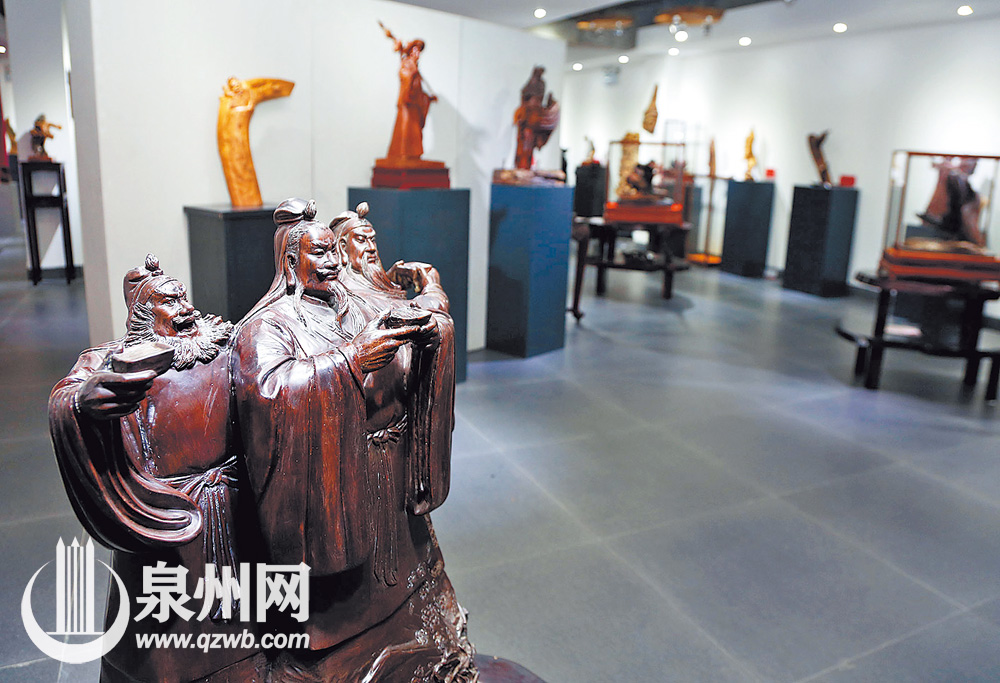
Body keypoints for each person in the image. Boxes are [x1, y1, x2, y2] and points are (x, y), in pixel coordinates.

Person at [231, 198, 475, 681]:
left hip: (389, 463)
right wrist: (351, 362)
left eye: (334, 251)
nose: (333, 262)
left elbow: (411, 316)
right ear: (290, 261)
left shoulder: (356, 301)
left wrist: (430, 330)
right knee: (339, 605)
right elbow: (269, 393)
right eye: (319, 253)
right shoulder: (267, 326)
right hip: (335, 480)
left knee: (409, 574)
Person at [48, 255, 262, 682]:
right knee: (163, 635)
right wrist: (86, 403)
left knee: (249, 628)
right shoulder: (114, 360)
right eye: (170, 301)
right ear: (144, 314)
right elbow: (67, 395)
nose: (185, 308)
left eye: (183, 297)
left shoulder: (225, 344)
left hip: (231, 501)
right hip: (166, 512)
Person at [381, 23, 436, 160]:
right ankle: (402, 153)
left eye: (419, 51)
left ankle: (413, 154)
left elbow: (418, 88)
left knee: (414, 130)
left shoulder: (414, 66)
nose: (418, 54)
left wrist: (427, 98)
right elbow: (404, 76)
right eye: (416, 50)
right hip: (407, 101)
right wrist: (411, 75)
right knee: (405, 129)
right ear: (411, 51)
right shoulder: (407, 63)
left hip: (415, 103)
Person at [513, 66, 560, 170]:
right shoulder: (525, 110)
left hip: (530, 128)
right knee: (523, 152)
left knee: (526, 152)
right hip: (526, 128)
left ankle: (525, 168)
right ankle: (522, 167)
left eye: (538, 99)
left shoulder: (536, 113)